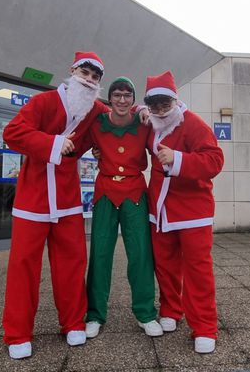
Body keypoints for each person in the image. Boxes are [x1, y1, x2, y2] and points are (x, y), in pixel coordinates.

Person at [2, 51, 110, 360]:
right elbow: (12, 133)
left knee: (72, 264)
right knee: (23, 267)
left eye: (95, 77)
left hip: (67, 201)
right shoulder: (43, 102)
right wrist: (52, 143)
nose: (89, 80)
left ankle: (74, 323)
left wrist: (144, 109)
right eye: (85, 73)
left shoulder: (94, 108)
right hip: (32, 200)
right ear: (73, 70)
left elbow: (119, 110)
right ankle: (18, 333)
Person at [144, 71, 224, 353]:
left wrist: (178, 159)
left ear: (176, 101)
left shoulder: (194, 124)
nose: (160, 109)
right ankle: (171, 310)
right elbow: (121, 111)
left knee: (197, 270)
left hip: (193, 211)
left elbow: (215, 160)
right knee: (165, 265)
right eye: (153, 105)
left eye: (165, 103)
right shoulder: (150, 123)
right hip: (161, 209)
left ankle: (204, 326)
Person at [84, 77, 163, 339]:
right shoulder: (97, 123)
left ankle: (145, 313)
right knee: (100, 254)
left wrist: (143, 108)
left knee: (141, 254)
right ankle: (95, 314)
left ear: (133, 99)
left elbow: (165, 130)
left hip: (135, 193)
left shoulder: (144, 124)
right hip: (105, 192)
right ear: (110, 98)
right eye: (116, 95)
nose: (121, 100)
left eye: (127, 95)